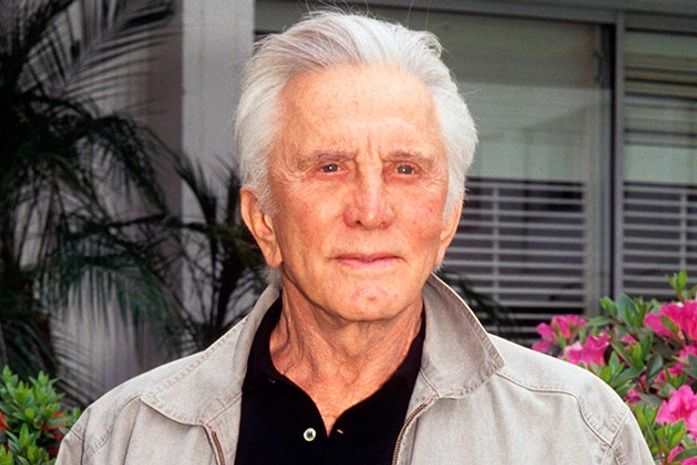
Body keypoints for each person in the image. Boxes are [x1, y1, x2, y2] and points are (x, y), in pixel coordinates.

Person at [56, 11, 653, 465]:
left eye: (405, 169)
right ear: (263, 220)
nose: (370, 211)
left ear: (448, 218)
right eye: (330, 167)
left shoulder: (575, 434)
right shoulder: (123, 439)